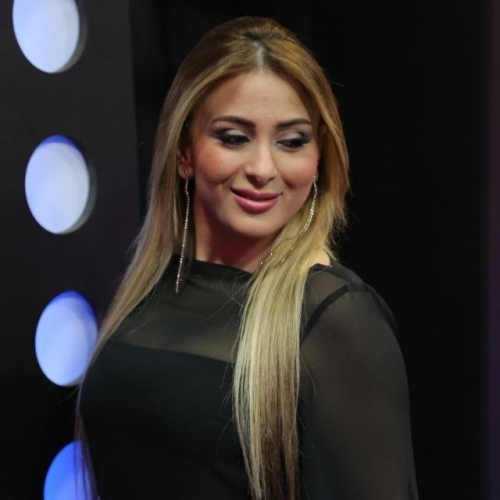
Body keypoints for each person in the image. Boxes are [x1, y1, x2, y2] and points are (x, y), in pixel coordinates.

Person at [78, 16, 419, 500]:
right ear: (184, 152)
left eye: (292, 141)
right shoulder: (152, 288)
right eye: (234, 137)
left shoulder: (334, 317)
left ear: (319, 159)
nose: (262, 168)